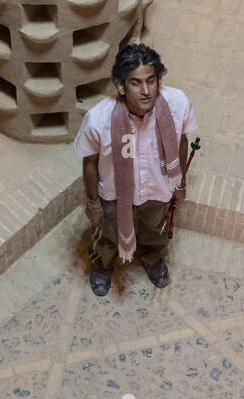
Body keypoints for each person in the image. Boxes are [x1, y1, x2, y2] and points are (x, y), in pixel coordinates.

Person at [74, 42, 199, 297]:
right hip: (114, 194)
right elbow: (89, 162)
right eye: (135, 83)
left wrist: (180, 183)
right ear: (120, 86)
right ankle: (102, 264)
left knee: (155, 229)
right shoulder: (98, 119)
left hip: (157, 188)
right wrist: (93, 202)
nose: (146, 91)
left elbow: (181, 141)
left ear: (159, 80)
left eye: (151, 81)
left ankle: (152, 258)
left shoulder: (177, 103)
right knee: (107, 234)